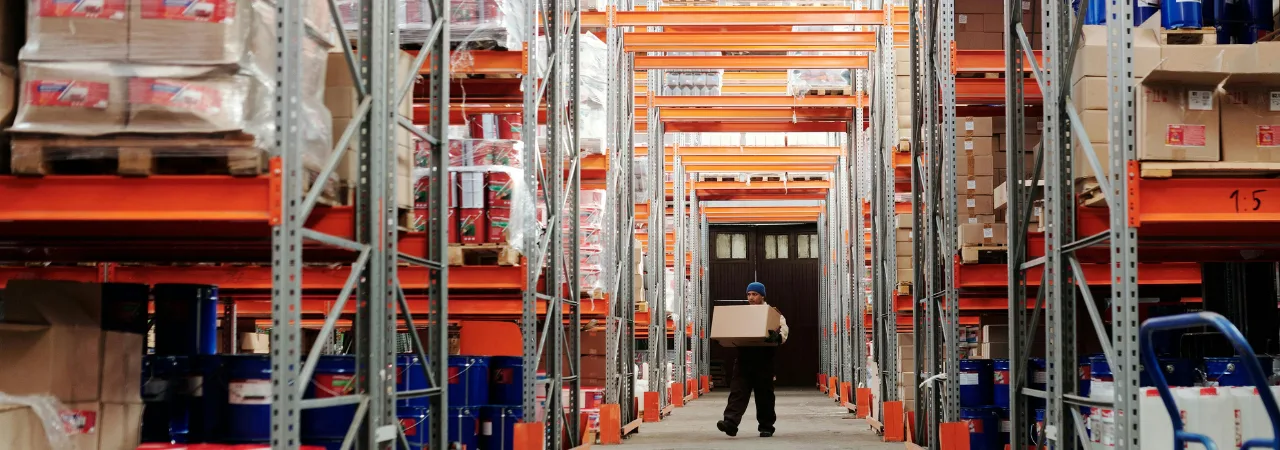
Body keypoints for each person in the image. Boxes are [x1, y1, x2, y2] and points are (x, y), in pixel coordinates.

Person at [717, 281, 789, 438]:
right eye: (749, 294)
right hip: (744, 358)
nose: (751, 297)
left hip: (764, 360)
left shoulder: (773, 313)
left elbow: (784, 331)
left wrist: (777, 336)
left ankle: (766, 426)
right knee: (737, 392)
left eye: (754, 294)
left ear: (762, 296)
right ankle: (730, 423)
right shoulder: (742, 314)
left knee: (764, 395)